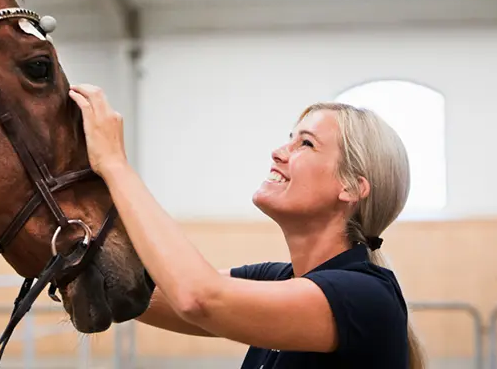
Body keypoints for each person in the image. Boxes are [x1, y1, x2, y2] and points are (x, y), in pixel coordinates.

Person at [68, 84, 427, 369]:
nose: (279, 151)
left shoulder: (364, 296)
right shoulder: (278, 281)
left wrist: (115, 164)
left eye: (305, 143)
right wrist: (60, 251)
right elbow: (143, 294)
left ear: (351, 188)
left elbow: (197, 297)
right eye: (290, 137)